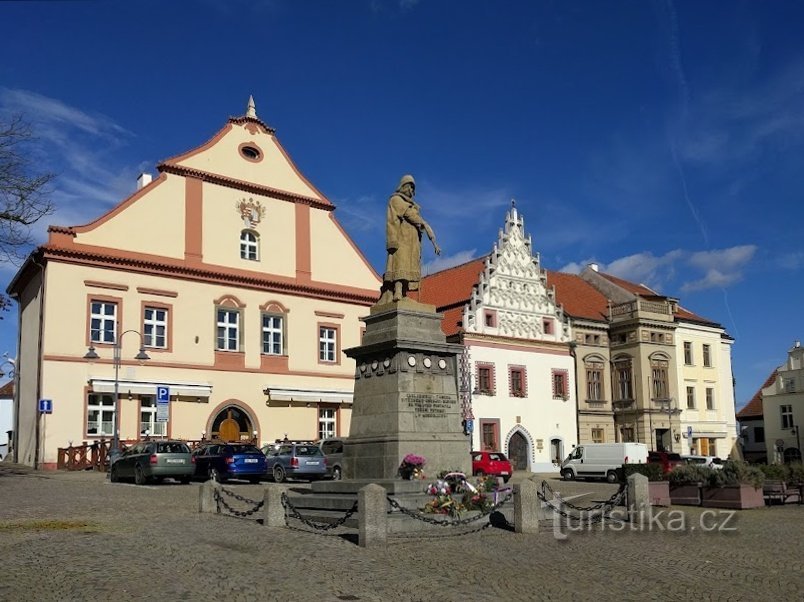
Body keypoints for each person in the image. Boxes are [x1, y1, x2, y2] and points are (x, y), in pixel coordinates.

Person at [379, 174, 440, 303]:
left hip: (412, 241)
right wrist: (423, 223)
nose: (412, 191)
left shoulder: (411, 204)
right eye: (410, 187)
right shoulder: (396, 200)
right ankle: (397, 291)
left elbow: (416, 218)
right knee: (400, 264)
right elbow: (408, 214)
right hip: (401, 239)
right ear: (403, 186)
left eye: (413, 189)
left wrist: (432, 240)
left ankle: (403, 292)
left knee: (409, 266)